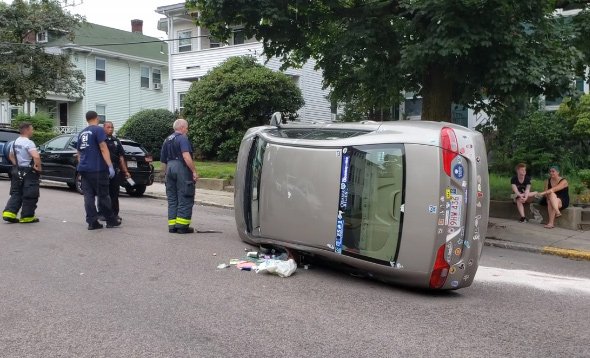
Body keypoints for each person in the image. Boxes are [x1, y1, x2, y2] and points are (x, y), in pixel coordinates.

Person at [77, 111, 122, 230]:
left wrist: (81, 165)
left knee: (88, 196)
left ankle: (92, 222)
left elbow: (79, 153)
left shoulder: (82, 133)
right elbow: (103, 148)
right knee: (103, 195)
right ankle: (111, 220)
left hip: (84, 168)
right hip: (97, 169)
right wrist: (110, 166)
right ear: (96, 118)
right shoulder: (98, 130)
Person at [160, 118, 198, 234]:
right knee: (185, 196)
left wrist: (164, 175)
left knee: (172, 198)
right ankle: (182, 226)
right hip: (181, 167)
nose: (187, 130)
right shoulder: (182, 139)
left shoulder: (167, 140)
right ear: (182, 128)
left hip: (169, 168)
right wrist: (194, 171)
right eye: (186, 128)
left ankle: (172, 226)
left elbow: (162, 161)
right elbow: (186, 156)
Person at [2, 122, 42, 224]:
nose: (32, 131)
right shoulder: (29, 143)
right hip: (28, 172)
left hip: (17, 171)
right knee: (30, 194)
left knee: (16, 192)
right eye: (31, 129)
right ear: (27, 130)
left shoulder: (15, 142)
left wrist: (17, 164)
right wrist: (38, 168)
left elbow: (11, 155)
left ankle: (9, 213)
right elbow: (36, 156)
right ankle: (27, 217)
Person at [97, 121, 130, 221]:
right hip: (103, 169)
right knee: (103, 193)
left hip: (115, 170)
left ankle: (114, 214)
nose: (110, 129)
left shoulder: (116, 141)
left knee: (114, 193)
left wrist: (125, 171)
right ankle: (102, 213)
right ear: (104, 128)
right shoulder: (101, 140)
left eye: (112, 127)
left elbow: (121, 158)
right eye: (108, 127)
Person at [538, 165, 569, 229]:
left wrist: (542, 193)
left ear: (558, 172)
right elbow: (546, 194)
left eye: (553, 171)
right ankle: (555, 216)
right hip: (550, 199)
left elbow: (554, 189)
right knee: (551, 199)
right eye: (550, 171)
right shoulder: (547, 181)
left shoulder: (564, 181)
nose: (551, 173)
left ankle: (551, 222)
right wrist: (547, 198)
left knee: (552, 193)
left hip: (562, 200)